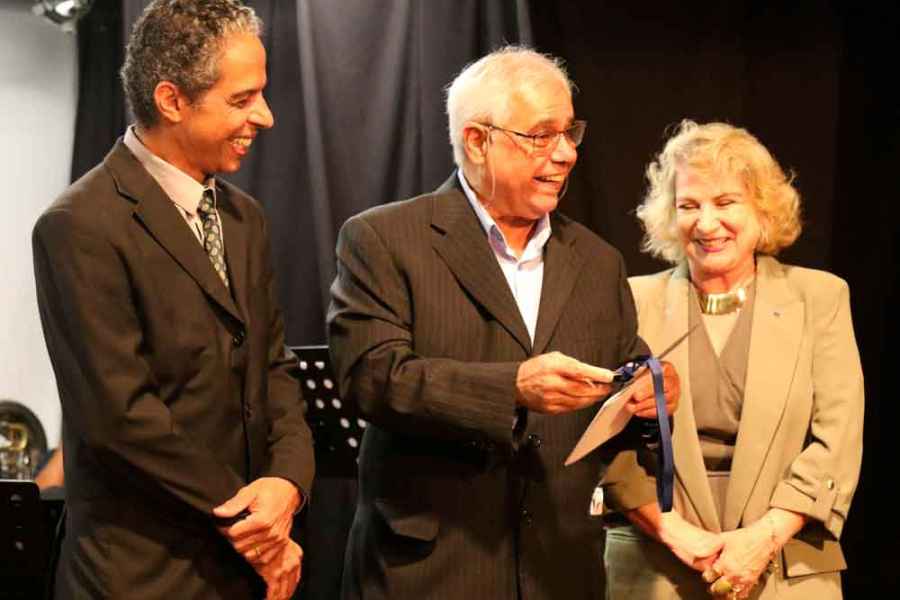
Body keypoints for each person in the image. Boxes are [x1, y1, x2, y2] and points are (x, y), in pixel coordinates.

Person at [327, 46, 679, 600]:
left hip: (561, 571)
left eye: (569, 132)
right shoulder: (384, 239)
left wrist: (651, 394)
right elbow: (371, 376)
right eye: (541, 135)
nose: (566, 153)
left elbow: (621, 380)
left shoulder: (598, 261)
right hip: (432, 572)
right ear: (476, 141)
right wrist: (511, 388)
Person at [32, 2, 314, 598]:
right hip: (141, 576)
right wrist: (255, 527)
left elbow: (274, 369)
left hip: (244, 565)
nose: (265, 116)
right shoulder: (79, 225)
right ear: (172, 100)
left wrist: (287, 484)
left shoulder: (245, 218)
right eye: (242, 99)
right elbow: (122, 419)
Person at [600, 120, 864, 599]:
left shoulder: (820, 298)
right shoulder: (630, 302)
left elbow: (837, 441)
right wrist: (677, 535)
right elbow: (604, 445)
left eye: (725, 203)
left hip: (786, 568)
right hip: (655, 569)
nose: (706, 223)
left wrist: (763, 538)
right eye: (689, 206)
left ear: (762, 208)